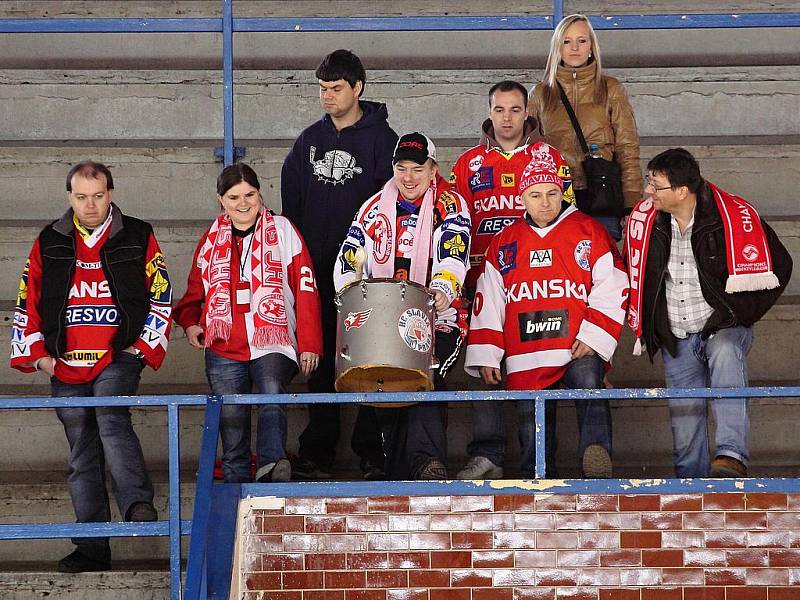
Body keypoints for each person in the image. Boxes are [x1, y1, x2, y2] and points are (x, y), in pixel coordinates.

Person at [10, 161, 171, 573]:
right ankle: (92, 546)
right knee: (82, 448)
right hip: (64, 361)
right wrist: (39, 355)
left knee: (110, 414)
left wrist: (141, 348)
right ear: (69, 198)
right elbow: (28, 297)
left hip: (118, 356)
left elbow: (161, 293)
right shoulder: (48, 239)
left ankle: (137, 505)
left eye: (98, 196)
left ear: (111, 193)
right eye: (81, 197)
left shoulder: (138, 233)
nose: (90, 205)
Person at [625, 148, 792, 478]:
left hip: (721, 327)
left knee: (726, 349)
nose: (647, 191)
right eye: (648, 182)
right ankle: (692, 497)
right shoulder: (645, 221)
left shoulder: (731, 216)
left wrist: (739, 315)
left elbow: (781, 267)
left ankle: (731, 456)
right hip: (677, 336)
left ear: (681, 191)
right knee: (686, 445)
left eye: (655, 185)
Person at [464, 152, 629, 479]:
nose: (544, 202)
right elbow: (489, 299)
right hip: (526, 351)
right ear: (522, 197)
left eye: (552, 193)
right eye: (535, 195)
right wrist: (487, 353)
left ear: (562, 192)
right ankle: (537, 481)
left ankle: (596, 457)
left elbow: (613, 282)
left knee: (589, 384)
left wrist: (593, 334)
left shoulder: (588, 230)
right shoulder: (504, 241)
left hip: (576, 344)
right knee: (532, 427)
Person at [281, 49, 397, 480]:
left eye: (335, 89)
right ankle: (318, 451)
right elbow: (290, 203)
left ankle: (371, 449)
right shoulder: (309, 140)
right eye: (322, 89)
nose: (327, 97)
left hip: (367, 273)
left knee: (369, 356)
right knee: (319, 358)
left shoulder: (385, 142)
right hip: (315, 268)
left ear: (358, 88)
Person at [450, 80, 574, 479]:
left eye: (515, 109)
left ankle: (537, 461)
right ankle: (488, 454)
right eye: (499, 109)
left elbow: (568, 222)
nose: (507, 118)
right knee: (483, 359)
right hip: (481, 283)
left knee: (535, 368)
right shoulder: (467, 164)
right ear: (489, 112)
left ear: (527, 112)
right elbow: (452, 224)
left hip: (537, 283)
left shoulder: (549, 157)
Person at [334, 132, 471, 480]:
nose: (409, 177)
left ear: (432, 170)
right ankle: (399, 471)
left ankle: (428, 464)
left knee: (421, 374)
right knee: (388, 381)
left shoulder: (450, 205)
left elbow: (454, 255)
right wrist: (349, 287)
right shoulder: (372, 208)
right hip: (382, 321)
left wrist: (442, 287)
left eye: (417, 168)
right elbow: (348, 261)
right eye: (401, 168)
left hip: (439, 317)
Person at [175, 163, 322, 484]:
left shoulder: (283, 230)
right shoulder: (210, 239)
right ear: (220, 201)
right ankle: (235, 479)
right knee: (230, 411)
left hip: (274, 339)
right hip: (224, 344)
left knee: (271, 390)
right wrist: (190, 324)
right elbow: (193, 294)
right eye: (233, 197)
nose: (243, 203)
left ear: (260, 194)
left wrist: (310, 343)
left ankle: (272, 466)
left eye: (250, 195)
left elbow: (307, 288)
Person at [528, 13, 643, 240]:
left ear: (592, 46)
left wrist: (632, 202)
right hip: (555, 197)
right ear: (557, 48)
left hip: (602, 196)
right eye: (567, 41)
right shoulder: (540, 93)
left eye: (582, 40)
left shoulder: (612, 89)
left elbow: (627, 148)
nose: (574, 48)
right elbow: (528, 152)